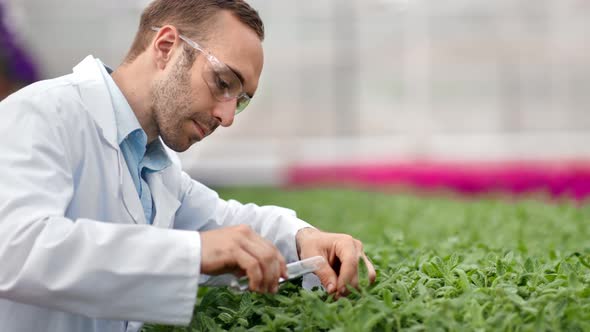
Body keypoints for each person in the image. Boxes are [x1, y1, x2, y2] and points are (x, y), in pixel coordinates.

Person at [0, 1, 376, 331]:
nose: (227, 117)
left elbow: (227, 221)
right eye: (222, 82)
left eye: (240, 100)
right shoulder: (40, 113)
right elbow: (15, 250)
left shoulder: (154, 165)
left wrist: (303, 239)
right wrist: (192, 252)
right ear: (165, 47)